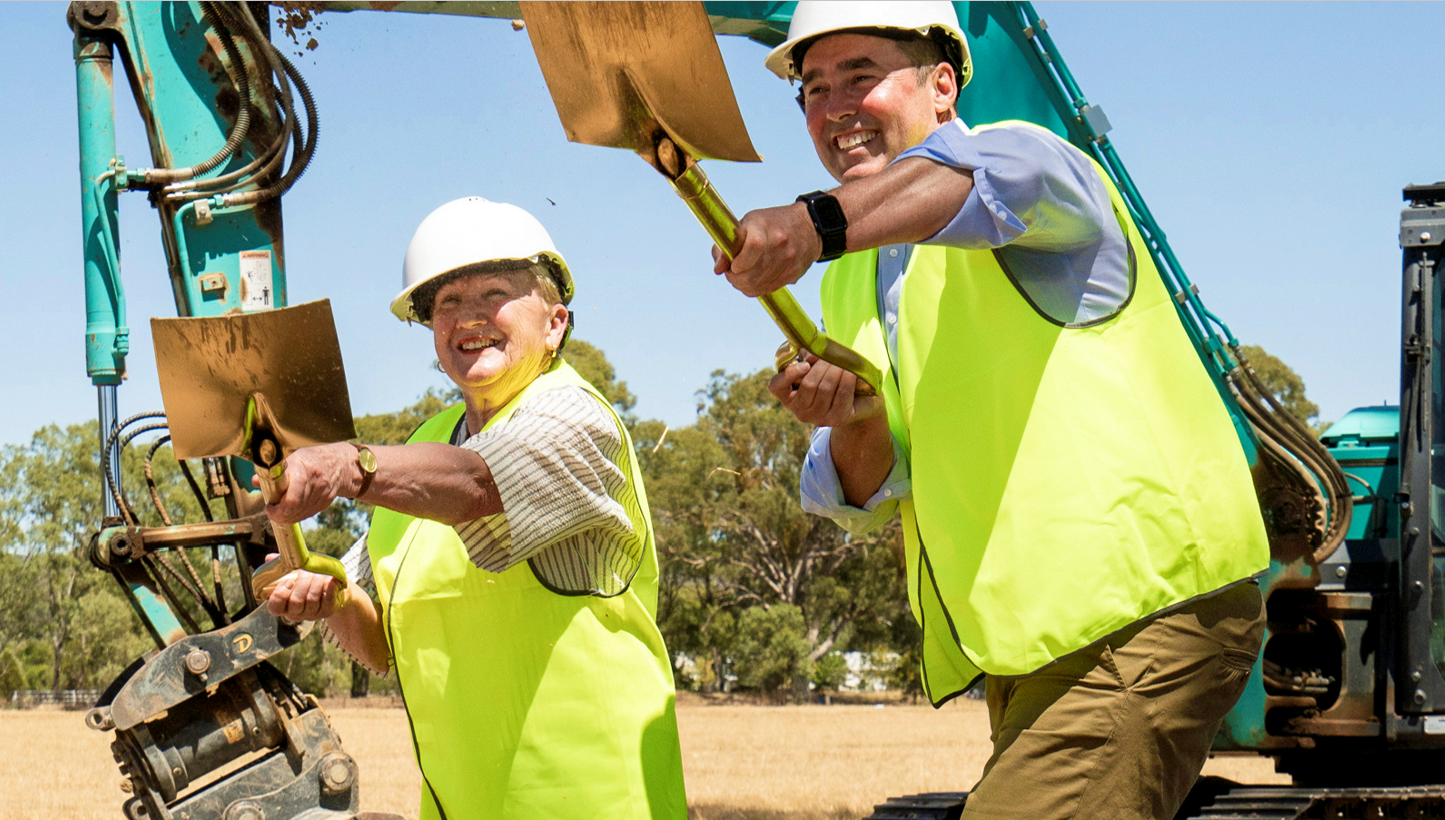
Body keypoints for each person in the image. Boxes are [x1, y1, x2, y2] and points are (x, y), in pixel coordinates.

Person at [712, 3, 1271, 818]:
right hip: (1031, 650)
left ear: (942, 85)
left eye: (859, 76)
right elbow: (870, 489)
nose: (831, 107)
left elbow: (981, 178)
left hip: (1140, 619)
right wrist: (853, 419)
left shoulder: (1030, 160)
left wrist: (814, 222)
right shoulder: (850, 278)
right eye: (811, 88)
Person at [262, 196, 688, 820]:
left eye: (494, 292)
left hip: (597, 802)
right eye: (446, 303)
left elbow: (480, 486)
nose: (469, 316)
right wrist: (333, 595)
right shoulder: (421, 447)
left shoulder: (575, 417)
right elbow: (383, 647)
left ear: (555, 324)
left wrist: (345, 466)